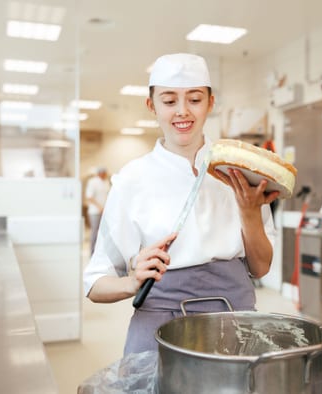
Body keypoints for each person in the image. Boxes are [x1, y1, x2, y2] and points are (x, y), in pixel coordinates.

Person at [83, 53, 279, 355]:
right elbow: (95, 283)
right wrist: (132, 282)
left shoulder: (241, 171)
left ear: (211, 103)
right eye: (169, 100)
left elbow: (261, 267)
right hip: (161, 330)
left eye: (195, 99)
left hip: (234, 323)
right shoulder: (132, 179)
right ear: (152, 106)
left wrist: (250, 213)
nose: (182, 112)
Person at [85, 167, 110, 255]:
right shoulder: (93, 182)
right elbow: (89, 197)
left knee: (104, 233)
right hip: (95, 212)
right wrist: (99, 207)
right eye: (104, 173)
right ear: (100, 173)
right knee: (95, 232)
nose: (106, 175)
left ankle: (101, 253)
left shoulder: (106, 182)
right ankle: (92, 253)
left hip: (104, 212)